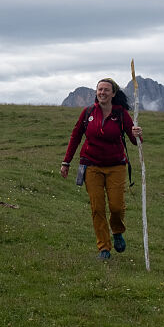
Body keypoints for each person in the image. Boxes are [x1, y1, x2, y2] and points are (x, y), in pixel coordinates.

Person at [60, 77, 144, 260]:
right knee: (97, 207)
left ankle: (117, 231)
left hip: (116, 166)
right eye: (100, 89)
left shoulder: (121, 114)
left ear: (113, 93)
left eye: (106, 90)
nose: (102, 93)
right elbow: (75, 136)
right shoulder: (88, 112)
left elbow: (134, 141)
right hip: (91, 165)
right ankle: (104, 248)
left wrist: (137, 134)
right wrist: (66, 162)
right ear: (96, 92)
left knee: (115, 206)